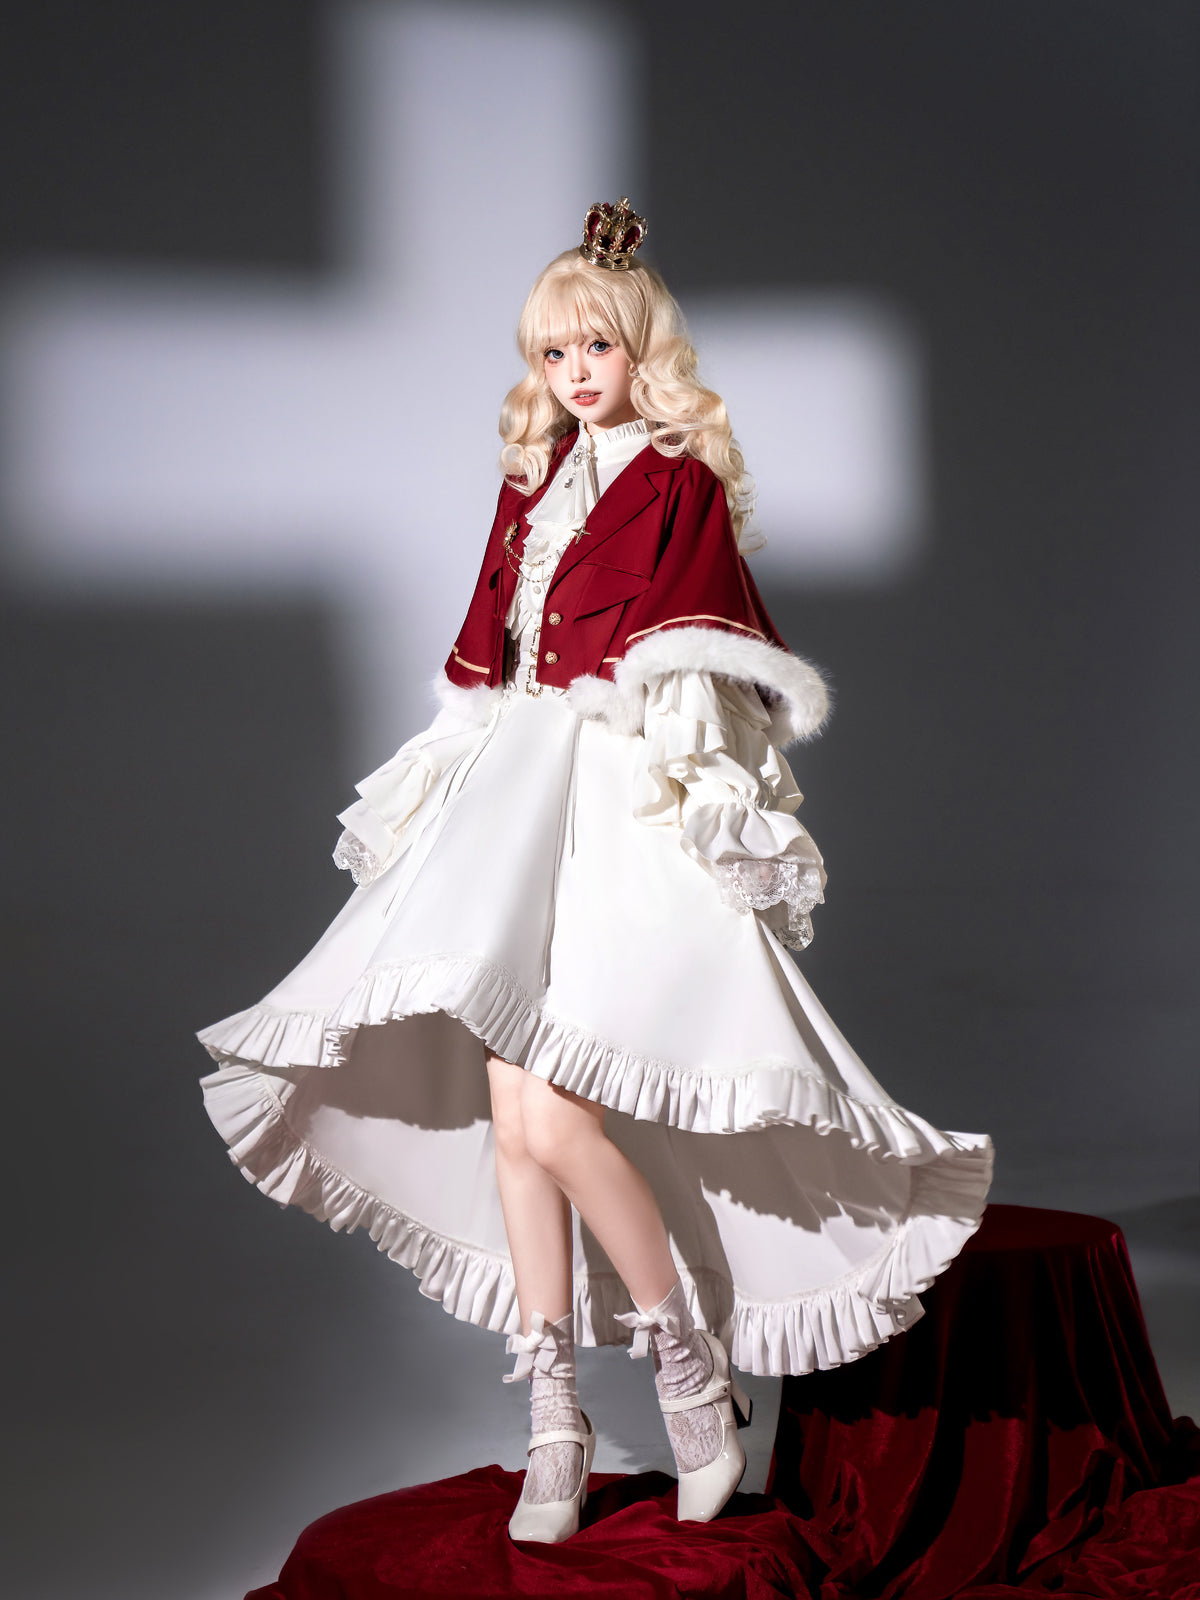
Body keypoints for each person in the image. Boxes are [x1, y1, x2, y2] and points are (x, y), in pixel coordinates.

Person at [198, 199, 993, 1545]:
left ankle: (690, 1375)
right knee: (514, 1119)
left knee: (560, 1118)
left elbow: (695, 657)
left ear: (643, 349)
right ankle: (555, 1421)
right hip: (516, 799)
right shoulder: (531, 484)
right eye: (553, 352)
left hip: (614, 797)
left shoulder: (681, 482)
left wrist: (705, 807)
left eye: (598, 348)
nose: (575, 373)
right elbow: (489, 657)